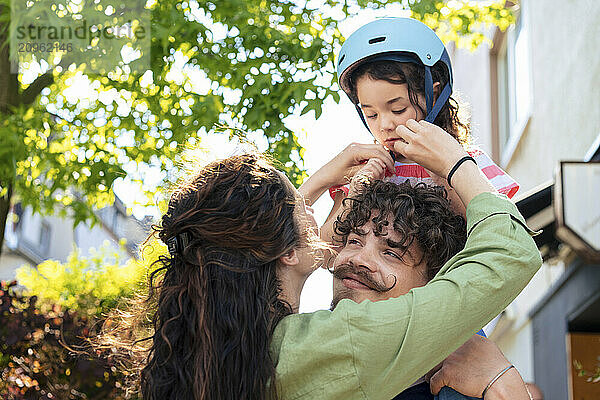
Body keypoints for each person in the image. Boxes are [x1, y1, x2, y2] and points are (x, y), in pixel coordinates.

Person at [99, 132, 541, 400]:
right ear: (287, 253)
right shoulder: (336, 345)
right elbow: (510, 254)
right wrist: (455, 162)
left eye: (391, 250)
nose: (346, 251)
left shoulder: (223, 352)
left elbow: (280, 246)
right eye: (304, 210)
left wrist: (315, 187)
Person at [312, 17, 519, 242]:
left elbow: (497, 232)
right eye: (371, 114)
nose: (384, 125)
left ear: (435, 95)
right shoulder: (362, 172)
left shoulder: (470, 164)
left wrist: (444, 173)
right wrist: (355, 194)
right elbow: (324, 255)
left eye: (398, 109)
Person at [329, 177, 533, 399]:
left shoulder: (458, 389)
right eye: (354, 241)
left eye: (391, 253)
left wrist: (503, 385)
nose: (359, 259)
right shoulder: (302, 360)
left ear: (435, 286)